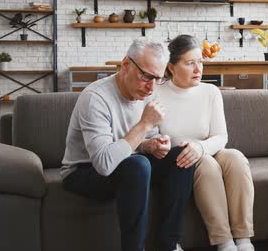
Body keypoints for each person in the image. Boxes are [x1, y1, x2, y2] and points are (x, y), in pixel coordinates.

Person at [61, 39, 195, 251]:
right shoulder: (95, 98)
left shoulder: (146, 92)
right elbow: (104, 163)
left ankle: (168, 245)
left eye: (157, 79)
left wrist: (152, 145)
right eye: (146, 76)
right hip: (83, 171)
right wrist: (144, 125)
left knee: (182, 157)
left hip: (127, 163)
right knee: (138, 165)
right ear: (125, 65)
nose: (151, 87)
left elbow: (138, 143)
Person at [154, 35, 255, 251]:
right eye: (190, 63)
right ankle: (224, 242)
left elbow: (221, 136)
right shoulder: (156, 92)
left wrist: (201, 148)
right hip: (182, 158)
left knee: (236, 157)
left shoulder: (210, 92)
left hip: (208, 148)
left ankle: (244, 240)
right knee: (207, 164)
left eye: (200, 62)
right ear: (171, 67)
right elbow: (153, 137)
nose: (198, 69)